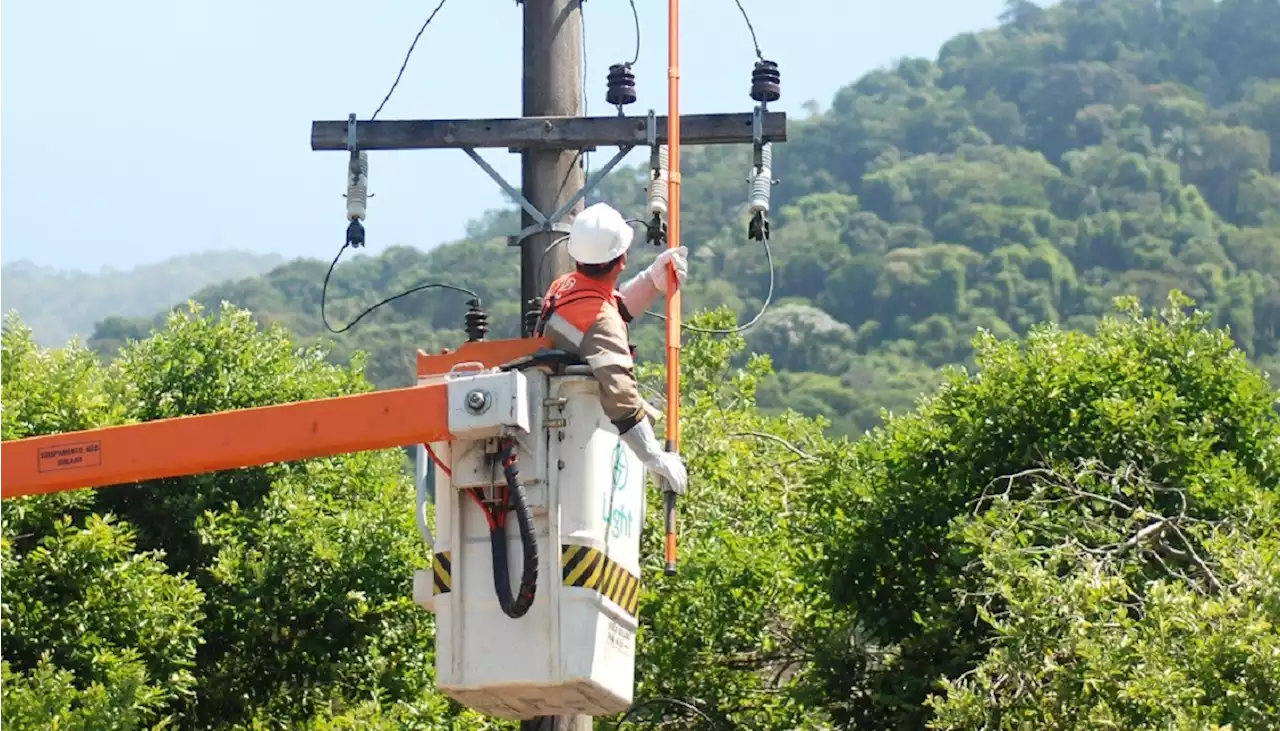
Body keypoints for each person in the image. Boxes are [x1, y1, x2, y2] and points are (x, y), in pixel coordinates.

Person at [534, 202, 689, 495]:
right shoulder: (599, 319)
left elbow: (607, 308)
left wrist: (650, 282)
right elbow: (622, 398)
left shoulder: (564, 286)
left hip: (552, 437)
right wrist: (654, 458)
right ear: (622, 260)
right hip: (577, 449)